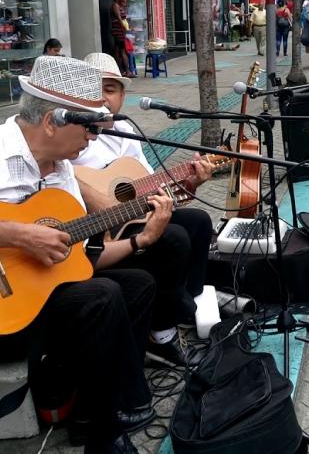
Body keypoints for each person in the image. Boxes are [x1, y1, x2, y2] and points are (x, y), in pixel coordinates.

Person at [0, 56, 161, 452]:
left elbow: (78, 261)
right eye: (87, 126)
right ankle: (107, 436)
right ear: (52, 120)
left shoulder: (60, 167)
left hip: (34, 304)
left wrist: (140, 241)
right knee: (100, 298)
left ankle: (90, 412)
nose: (93, 137)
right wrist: (21, 236)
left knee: (138, 284)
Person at [73, 52, 215, 367]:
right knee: (174, 238)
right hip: (97, 233)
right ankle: (160, 336)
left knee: (198, 222)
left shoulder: (127, 134)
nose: (102, 98)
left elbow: (153, 191)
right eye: (94, 89)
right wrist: (97, 198)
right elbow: (54, 170)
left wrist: (191, 184)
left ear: (123, 96)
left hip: (132, 215)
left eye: (110, 89)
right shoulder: (74, 131)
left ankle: (185, 306)